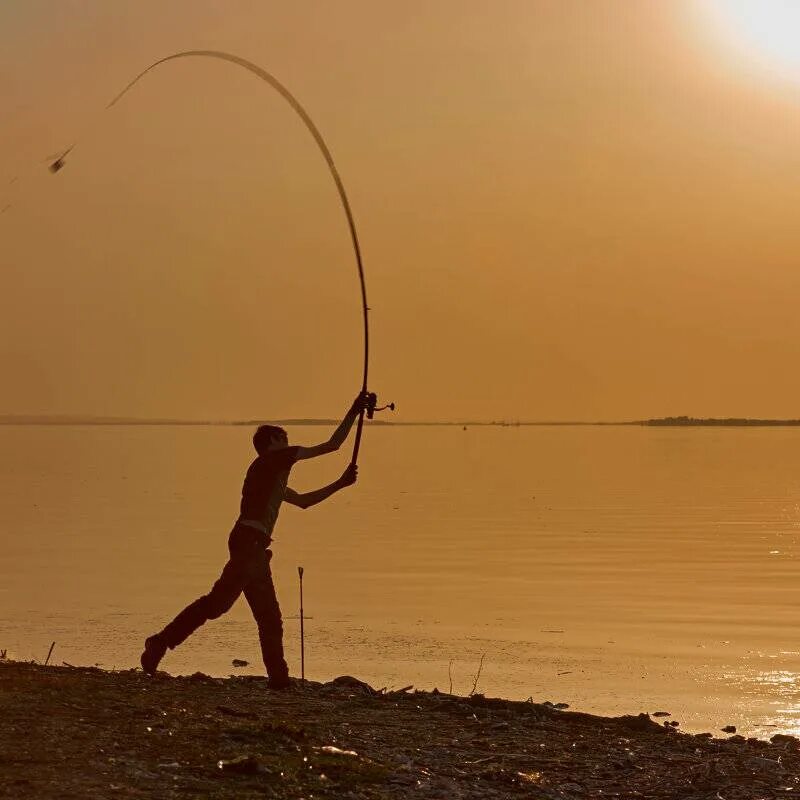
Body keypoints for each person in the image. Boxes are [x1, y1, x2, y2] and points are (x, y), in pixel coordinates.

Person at [140, 392, 369, 687]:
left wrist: (339, 484)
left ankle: (279, 680)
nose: (288, 446)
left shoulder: (271, 476)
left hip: (256, 547)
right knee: (219, 604)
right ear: (272, 443)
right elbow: (333, 445)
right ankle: (159, 643)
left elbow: (303, 502)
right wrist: (353, 410)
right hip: (249, 543)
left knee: (267, 617)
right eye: (283, 439)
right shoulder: (271, 461)